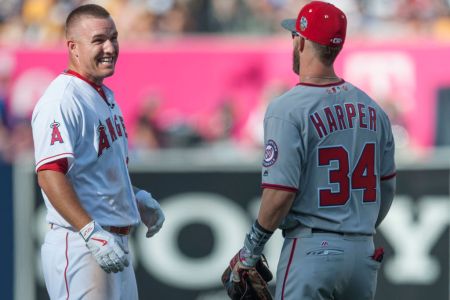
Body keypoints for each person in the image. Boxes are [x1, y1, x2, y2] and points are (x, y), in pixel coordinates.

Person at [227, 1, 396, 300]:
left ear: (301, 41)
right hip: (362, 254)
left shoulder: (287, 108)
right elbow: (387, 188)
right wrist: (355, 230)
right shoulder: (373, 108)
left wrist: (251, 250)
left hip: (312, 249)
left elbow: (280, 193)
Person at [31, 4, 165, 300]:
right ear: (73, 47)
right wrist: (91, 232)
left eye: (113, 38)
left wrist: (134, 196)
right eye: (98, 40)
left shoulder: (102, 93)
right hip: (81, 242)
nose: (110, 47)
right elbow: (50, 175)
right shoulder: (62, 99)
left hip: (111, 242)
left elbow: (94, 171)